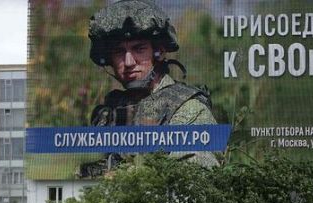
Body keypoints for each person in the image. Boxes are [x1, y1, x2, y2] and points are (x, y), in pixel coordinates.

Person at [86, 0, 217, 170]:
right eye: (119, 51)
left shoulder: (187, 109)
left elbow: (192, 180)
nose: (128, 62)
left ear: (159, 52)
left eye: (139, 49)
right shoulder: (108, 113)